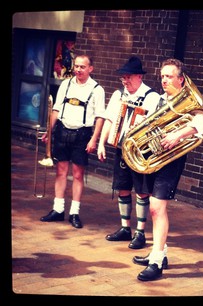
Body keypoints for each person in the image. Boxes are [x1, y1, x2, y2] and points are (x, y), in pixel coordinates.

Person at [132, 58, 203, 281]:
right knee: (152, 207)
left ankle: (156, 264)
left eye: (169, 76)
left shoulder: (187, 100)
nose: (164, 80)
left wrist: (178, 135)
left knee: (157, 208)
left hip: (171, 161)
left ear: (180, 79)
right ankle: (160, 253)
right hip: (154, 159)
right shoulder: (158, 100)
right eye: (163, 76)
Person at [97, 56, 160, 249]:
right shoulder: (118, 94)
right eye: (123, 77)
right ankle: (125, 228)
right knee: (122, 187)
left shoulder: (152, 97)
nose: (125, 81)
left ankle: (140, 232)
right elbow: (109, 119)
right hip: (121, 148)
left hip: (141, 153)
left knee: (142, 191)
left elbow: (155, 126)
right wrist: (101, 143)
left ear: (140, 77)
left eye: (128, 77)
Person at [40, 54, 105, 229]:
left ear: (90, 69)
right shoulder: (66, 84)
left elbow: (100, 117)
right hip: (62, 131)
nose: (78, 70)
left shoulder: (97, 89)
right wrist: (49, 130)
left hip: (82, 134)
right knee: (61, 172)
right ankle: (58, 210)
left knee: (77, 174)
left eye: (82, 67)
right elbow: (56, 109)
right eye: (76, 66)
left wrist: (94, 139)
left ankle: (74, 213)